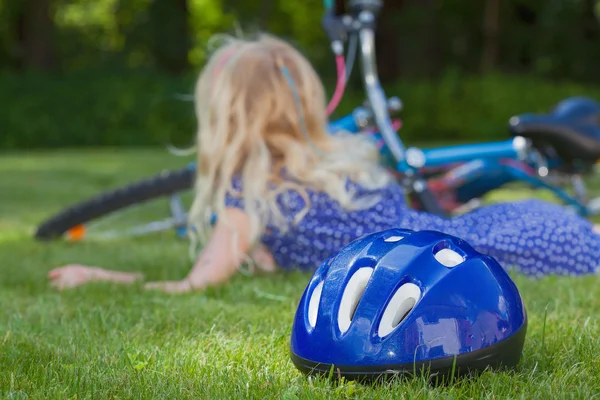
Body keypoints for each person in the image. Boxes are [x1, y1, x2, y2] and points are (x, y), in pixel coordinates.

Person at [48, 34, 600, 293]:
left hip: (469, 264)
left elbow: (196, 285)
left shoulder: (250, 194)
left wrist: (101, 274)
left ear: (225, 117)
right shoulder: (338, 161)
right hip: (503, 230)